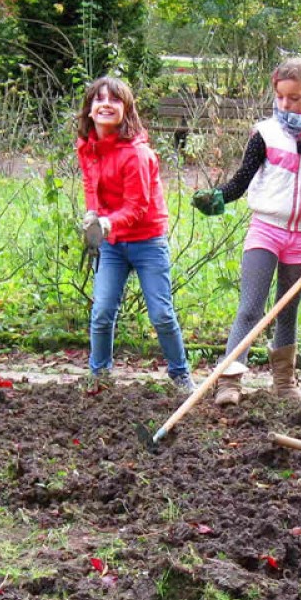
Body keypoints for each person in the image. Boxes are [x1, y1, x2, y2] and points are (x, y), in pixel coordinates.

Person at [192, 57, 301, 406]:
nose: (286, 105)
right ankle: (229, 380)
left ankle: (284, 383)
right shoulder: (266, 133)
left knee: (286, 311)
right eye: (280, 97)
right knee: (250, 308)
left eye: (294, 98)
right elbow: (241, 181)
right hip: (266, 230)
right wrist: (219, 197)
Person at [77, 76, 194, 392]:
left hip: (147, 241)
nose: (105, 104)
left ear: (126, 110)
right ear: (89, 110)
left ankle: (180, 375)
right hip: (112, 244)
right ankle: (99, 376)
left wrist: (106, 224)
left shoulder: (137, 155)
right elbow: (91, 185)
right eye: (99, 99)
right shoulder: (87, 148)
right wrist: (92, 213)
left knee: (161, 314)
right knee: (102, 311)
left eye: (114, 100)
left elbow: (138, 206)